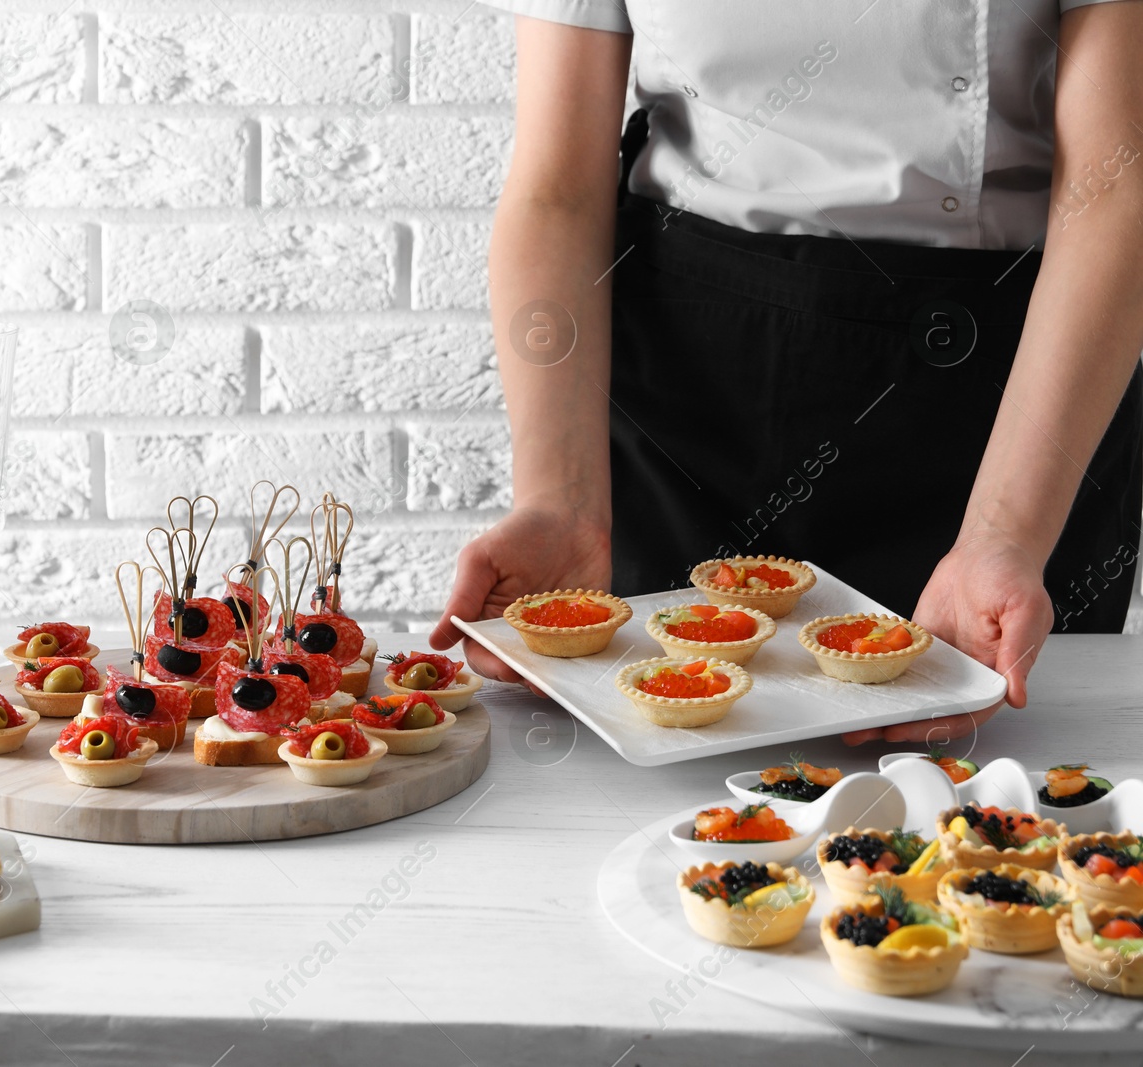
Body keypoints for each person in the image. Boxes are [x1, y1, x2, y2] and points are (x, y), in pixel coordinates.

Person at [429, 1, 1143, 743]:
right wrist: (559, 501)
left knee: (1006, 822)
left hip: (1005, 396)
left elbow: (1116, 184)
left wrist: (1006, 535)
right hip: (687, 388)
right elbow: (557, 190)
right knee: (654, 781)